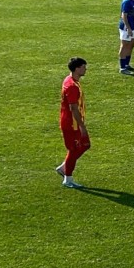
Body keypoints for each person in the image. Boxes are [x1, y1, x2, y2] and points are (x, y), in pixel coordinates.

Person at [56, 57, 90, 188]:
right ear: (77, 69)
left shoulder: (70, 80)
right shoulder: (72, 86)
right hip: (72, 124)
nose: (85, 69)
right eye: (83, 67)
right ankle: (68, 179)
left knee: (85, 145)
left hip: (72, 122)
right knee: (74, 149)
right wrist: (82, 126)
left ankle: (64, 167)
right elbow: (73, 108)